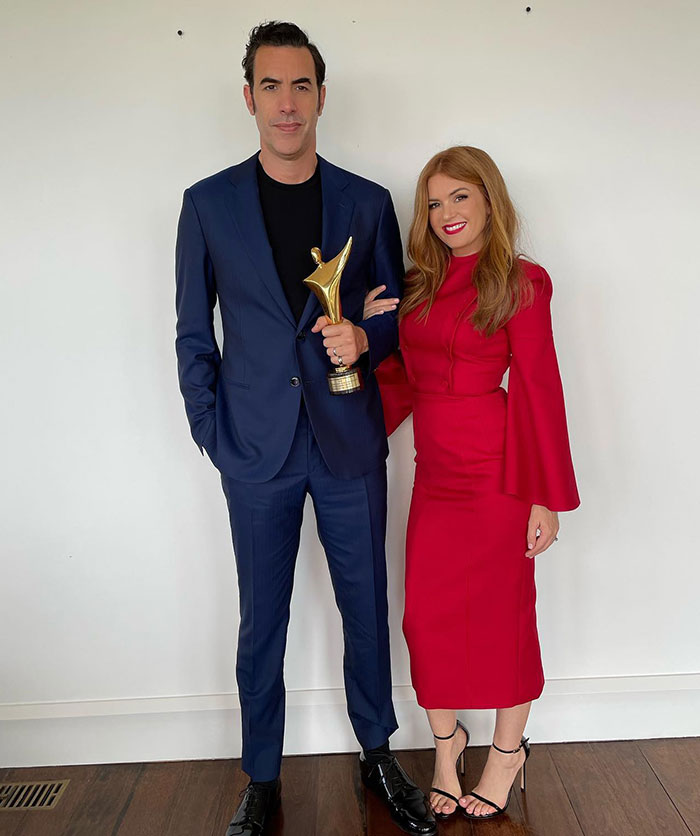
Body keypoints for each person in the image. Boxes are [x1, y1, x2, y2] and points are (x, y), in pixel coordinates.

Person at [174, 21, 436, 836]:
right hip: (255, 449)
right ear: (248, 97)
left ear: (322, 96)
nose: (286, 103)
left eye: (301, 86)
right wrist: (214, 435)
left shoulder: (367, 201)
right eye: (271, 86)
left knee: (367, 603)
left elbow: (396, 316)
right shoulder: (206, 205)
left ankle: (377, 754)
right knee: (264, 619)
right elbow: (193, 335)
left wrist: (367, 336)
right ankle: (262, 776)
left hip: (348, 440)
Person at [368, 145, 580, 821]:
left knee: (504, 617)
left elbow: (540, 388)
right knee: (425, 618)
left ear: (489, 198)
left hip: (498, 476)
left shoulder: (522, 282)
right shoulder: (416, 287)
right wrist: (366, 334)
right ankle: (447, 745)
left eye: (460, 196)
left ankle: (506, 754)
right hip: (435, 477)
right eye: (434, 202)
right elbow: (399, 378)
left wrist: (545, 496)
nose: (446, 213)